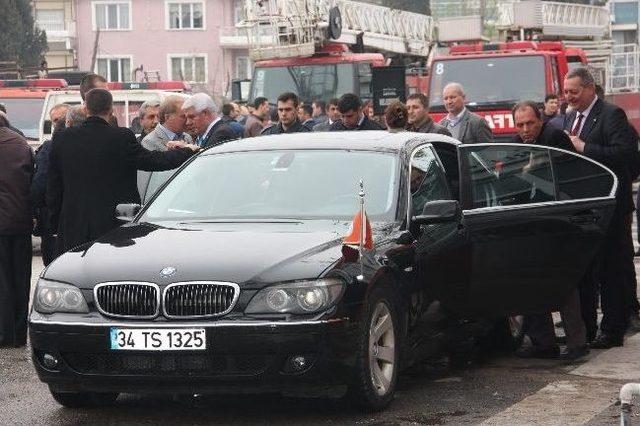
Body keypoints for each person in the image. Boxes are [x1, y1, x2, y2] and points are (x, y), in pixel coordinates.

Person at [47, 89, 198, 254]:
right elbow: (154, 161)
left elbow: (54, 186)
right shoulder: (121, 137)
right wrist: (187, 151)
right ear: (111, 109)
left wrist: (53, 224)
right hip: (112, 226)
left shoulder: (63, 139)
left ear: (86, 108)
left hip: (73, 224)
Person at [563, 67, 637, 348]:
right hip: (584, 207)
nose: (569, 97)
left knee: (612, 270)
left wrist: (584, 147)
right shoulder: (570, 117)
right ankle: (588, 328)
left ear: (590, 88)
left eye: (574, 92)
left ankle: (613, 329)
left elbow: (624, 156)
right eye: (566, 92)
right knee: (588, 270)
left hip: (611, 206)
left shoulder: (611, 115)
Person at [509, 101, 588, 361]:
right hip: (531, 221)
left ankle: (577, 343)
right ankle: (543, 342)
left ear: (540, 119)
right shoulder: (516, 142)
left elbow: (569, 175)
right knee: (531, 281)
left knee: (562, 282)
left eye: (529, 123)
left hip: (558, 219)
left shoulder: (554, 137)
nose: (525, 129)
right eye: (520, 125)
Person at [0, 111, 34, 347]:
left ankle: (4, 333)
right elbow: (33, 180)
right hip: (20, 220)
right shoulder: (20, 143)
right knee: (21, 277)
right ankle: (20, 333)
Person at [31, 104, 70, 266]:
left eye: (60, 119)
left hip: (53, 217)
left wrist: (36, 206)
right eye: (55, 120)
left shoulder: (50, 148)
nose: (58, 123)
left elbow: (39, 185)